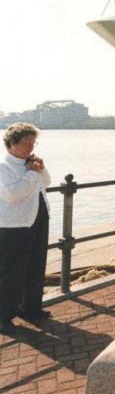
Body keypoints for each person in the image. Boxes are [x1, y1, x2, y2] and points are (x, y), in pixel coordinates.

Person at [0, 123, 51, 334]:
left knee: (36, 264)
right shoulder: (3, 166)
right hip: (14, 223)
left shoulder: (31, 162)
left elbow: (46, 183)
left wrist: (41, 168)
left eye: (33, 142)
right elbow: (13, 194)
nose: (30, 146)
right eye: (26, 142)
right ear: (11, 143)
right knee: (10, 270)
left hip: (38, 218)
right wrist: (31, 173)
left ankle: (30, 307)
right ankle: (3, 315)